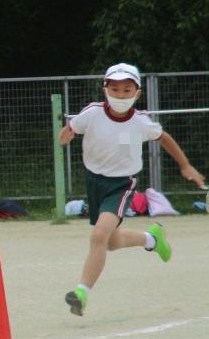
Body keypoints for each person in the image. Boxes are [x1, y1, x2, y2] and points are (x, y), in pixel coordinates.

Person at [59, 62, 205, 316]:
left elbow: (164, 138)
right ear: (105, 90)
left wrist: (185, 165)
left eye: (127, 90)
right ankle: (152, 239)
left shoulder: (140, 122)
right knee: (111, 242)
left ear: (137, 94)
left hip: (122, 184)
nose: (120, 95)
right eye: (115, 89)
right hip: (94, 181)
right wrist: (66, 135)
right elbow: (71, 129)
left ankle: (81, 293)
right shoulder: (92, 113)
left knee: (98, 236)